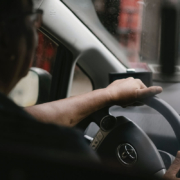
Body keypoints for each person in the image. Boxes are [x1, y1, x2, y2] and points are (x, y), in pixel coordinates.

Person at [0, 0, 179, 179]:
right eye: (34, 21)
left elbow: (26, 119)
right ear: (7, 41)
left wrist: (109, 94)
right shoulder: (64, 152)